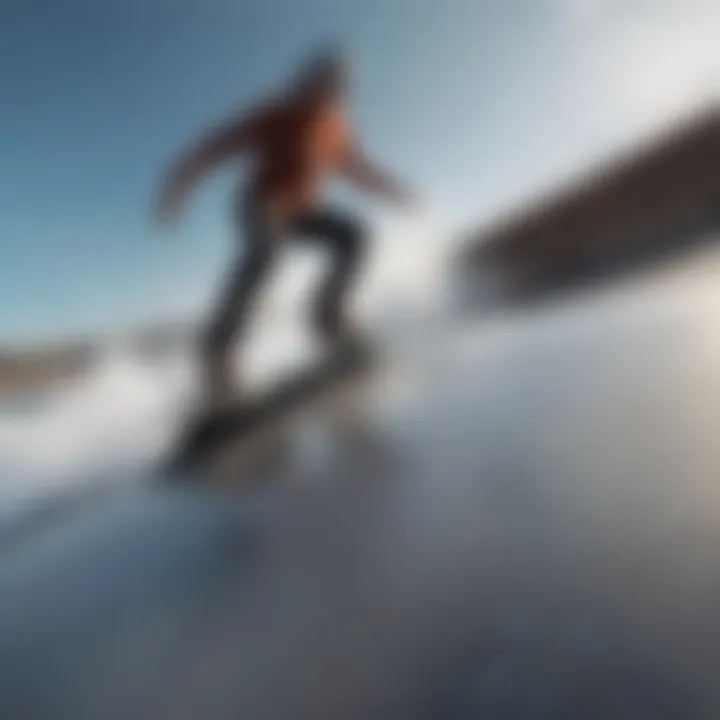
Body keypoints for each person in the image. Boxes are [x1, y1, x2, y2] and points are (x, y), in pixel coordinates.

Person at [155, 49, 417, 403]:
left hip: (302, 211)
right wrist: (178, 187)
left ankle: (329, 322)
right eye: (318, 83)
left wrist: (393, 190)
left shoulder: (336, 127)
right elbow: (214, 147)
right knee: (266, 253)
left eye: (334, 88)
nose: (324, 93)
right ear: (306, 81)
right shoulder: (277, 113)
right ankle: (217, 356)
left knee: (354, 236)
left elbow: (355, 167)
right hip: (261, 203)